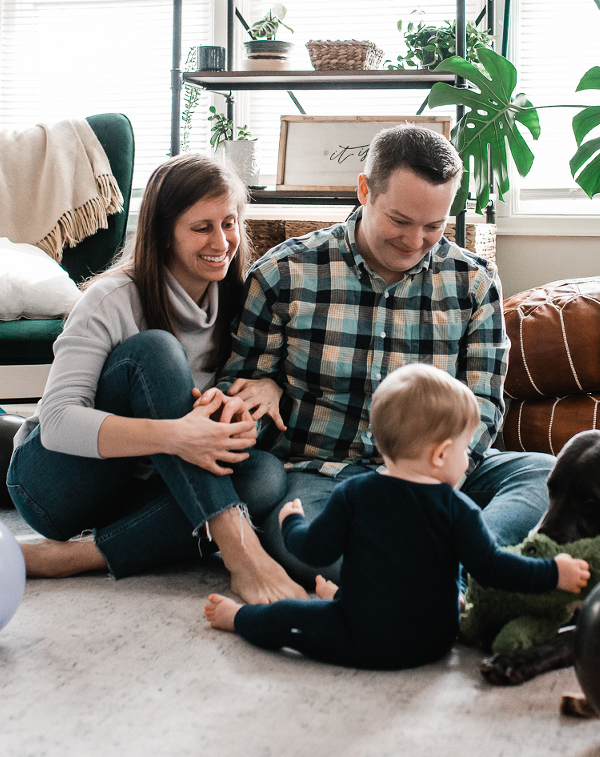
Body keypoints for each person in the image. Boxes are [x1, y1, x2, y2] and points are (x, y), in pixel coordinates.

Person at [219, 124, 556, 586]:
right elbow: (239, 392)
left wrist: (438, 484)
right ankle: (465, 577)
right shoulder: (283, 274)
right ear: (364, 191)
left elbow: (484, 405)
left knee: (547, 474)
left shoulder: (473, 283)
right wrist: (252, 401)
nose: (415, 241)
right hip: (325, 474)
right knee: (301, 540)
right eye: (400, 221)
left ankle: (444, 576)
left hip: (442, 475)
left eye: (433, 226)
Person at [6, 153, 306, 604]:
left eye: (229, 222)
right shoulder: (112, 299)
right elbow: (59, 422)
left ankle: (84, 556)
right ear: (164, 234)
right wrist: (175, 437)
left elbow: (240, 396)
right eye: (201, 227)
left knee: (263, 476)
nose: (222, 241)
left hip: (143, 487)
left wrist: (270, 385)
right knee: (155, 350)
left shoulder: (239, 300)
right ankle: (241, 553)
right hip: (56, 484)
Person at [204, 363, 589, 669]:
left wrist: (291, 522)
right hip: (434, 641)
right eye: (464, 448)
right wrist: (556, 572)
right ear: (440, 455)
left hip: (360, 636)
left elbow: (313, 549)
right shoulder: (459, 509)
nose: (467, 457)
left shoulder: (354, 495)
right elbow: (495, 568)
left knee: (287, 615)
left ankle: (237, 618)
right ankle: (341, 598)